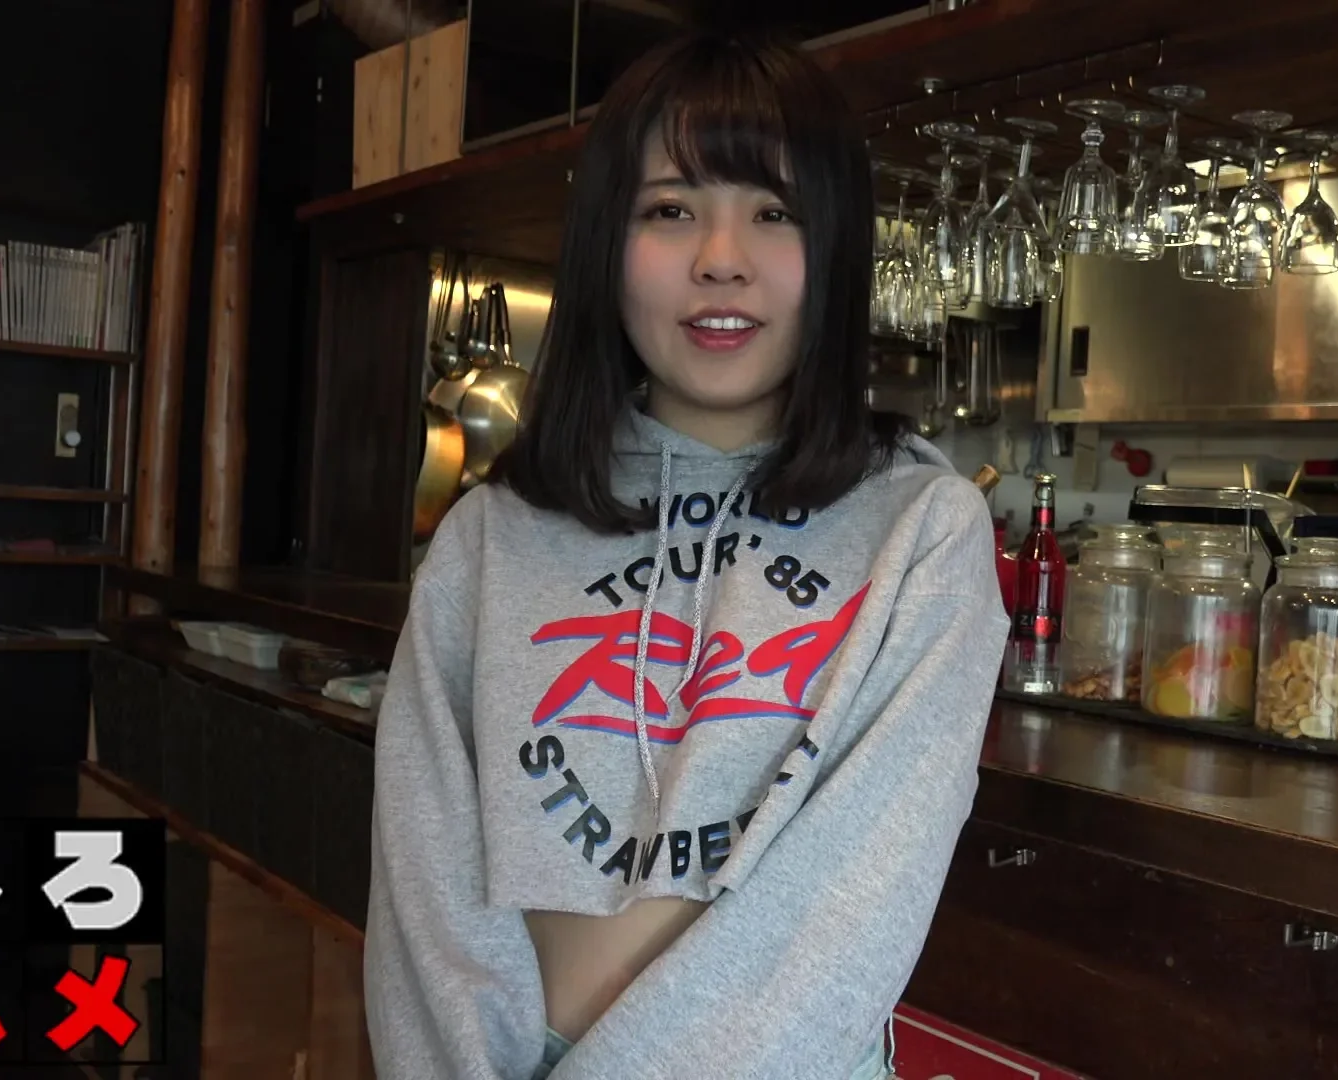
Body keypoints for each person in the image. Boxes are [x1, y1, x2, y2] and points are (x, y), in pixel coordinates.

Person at [363, 27, 1008, 1080]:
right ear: (606, 243)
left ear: (837, 251)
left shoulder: (924, 533)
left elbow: (843, 916)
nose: (721, 257)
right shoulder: (491, 536)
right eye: (670, 210)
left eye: (775, 212)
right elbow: (424, 890)